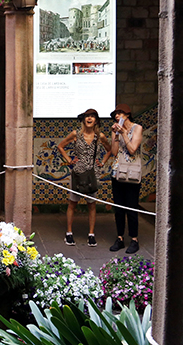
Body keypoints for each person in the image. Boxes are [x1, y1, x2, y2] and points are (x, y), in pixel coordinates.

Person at [57, 108, 111, 247]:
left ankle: (91, 234)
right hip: (78, 173)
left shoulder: (100, 137)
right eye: (87, 116)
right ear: (83, 120)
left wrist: (102, 162)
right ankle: (69, 233)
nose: (89, 118)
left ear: (96, 121)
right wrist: (69, 160)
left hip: (92, 174)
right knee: (72, 203)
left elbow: (109, 149)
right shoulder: (76, 134)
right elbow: (61, 146)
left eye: (92, 116)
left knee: (91, 205)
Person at [108, 103, 143, 254]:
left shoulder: (137, 128)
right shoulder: (116, 130)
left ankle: (134, 239)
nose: (117, 116)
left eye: (120, 113)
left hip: (132, 173)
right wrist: (115, 135)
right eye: (115, 114)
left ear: (127, 114)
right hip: (117, 172)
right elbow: (115, 152)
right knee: (119, 207)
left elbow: (133, 150)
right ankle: (120, 238)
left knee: (131, 207)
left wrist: (123, 133)